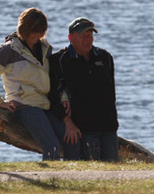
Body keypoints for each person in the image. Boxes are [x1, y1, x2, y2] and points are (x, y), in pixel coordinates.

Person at [0, 8, 73, 160]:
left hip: (46, 105)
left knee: (72, 141)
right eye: (33, 31)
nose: (37, 35)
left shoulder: (45, 49)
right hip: (24, 106)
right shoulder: (9, 50)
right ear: (24, 29)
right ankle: (51, 179)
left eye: (41, 31)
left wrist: (64, 97)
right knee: (52, 145)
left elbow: (54, 79)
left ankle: (73, 177)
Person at [49, 17, 119, 162]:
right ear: (71, 38)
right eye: (83, 36)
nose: (88, 40)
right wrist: (67, 122)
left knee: (113, 173)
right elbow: (53, 96)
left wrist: (113, 124)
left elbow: (111, 93)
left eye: (90, 35)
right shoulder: (59, 60)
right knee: (89, 173)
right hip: (82, 130)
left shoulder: (105, 57)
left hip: (108, 128)